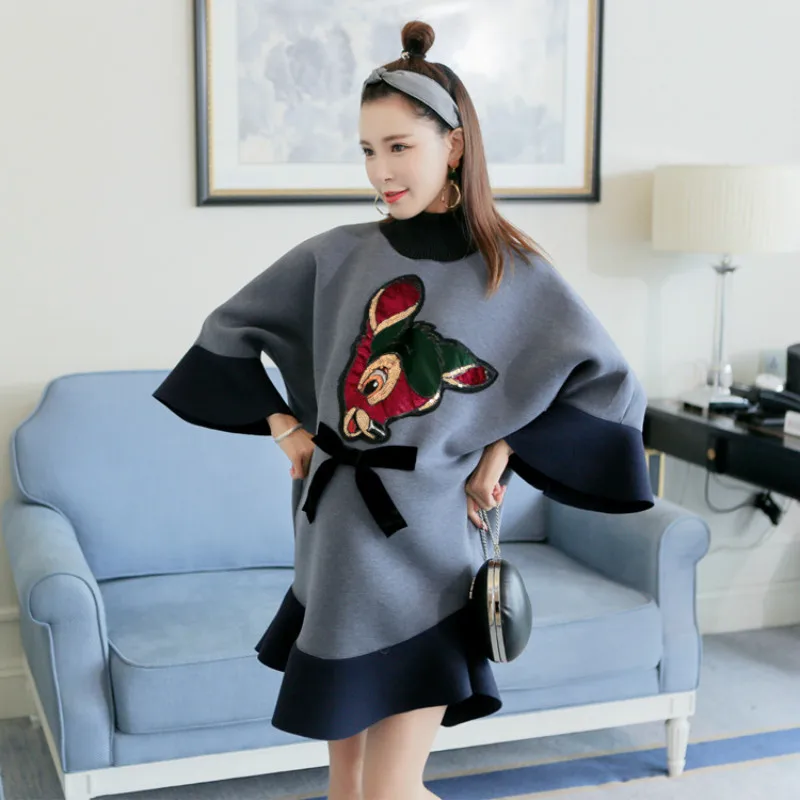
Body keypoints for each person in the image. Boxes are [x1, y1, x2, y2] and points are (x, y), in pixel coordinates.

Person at [153, 19, 654, 800]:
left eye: (398, 146)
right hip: (334, 538)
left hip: (433, 547)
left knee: (389, 791)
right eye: (367, 150)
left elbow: (604, 383)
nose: (380, 171)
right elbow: (226, 333)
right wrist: (286, 426)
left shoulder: (513, 274)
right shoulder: (336, 254)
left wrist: (501, 451)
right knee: (346, 792)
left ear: (453, 145)